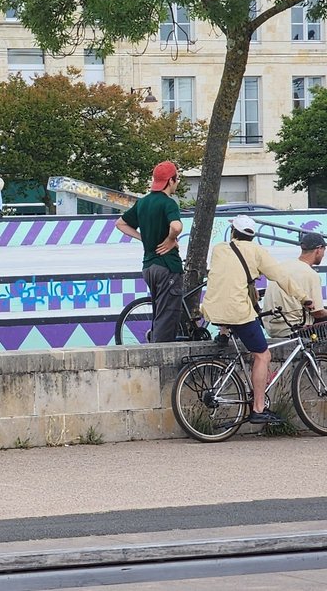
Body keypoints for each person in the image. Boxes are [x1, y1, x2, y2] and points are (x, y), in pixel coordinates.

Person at [202, 215, 314, 425]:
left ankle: (223, 334)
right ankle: (258, 408)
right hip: (237, 311)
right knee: (263, 355)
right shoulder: (258, 252)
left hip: (212, 310)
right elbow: (281, 277)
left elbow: (226, 279)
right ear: (252, 236)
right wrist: (304, 298)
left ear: (233, 232)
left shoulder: (219, 249)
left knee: (233, 303)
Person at [114, 161, 184, 343]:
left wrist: (143, 238)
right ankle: (160, 361)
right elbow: (176, 226)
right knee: (167, 319)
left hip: (149, 267)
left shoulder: (143, 202)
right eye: (177, 179)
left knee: (159, 314)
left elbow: (120, 223)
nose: (177, 183)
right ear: (170, 181)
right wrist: (170, 240)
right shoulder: (168, 203)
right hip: (167, 266)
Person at [263, 231, 327, 338]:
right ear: (319, 249)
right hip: (293, 328)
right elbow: (318, 312)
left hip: (271, 328)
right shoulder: (310, 274)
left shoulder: (283, 266)